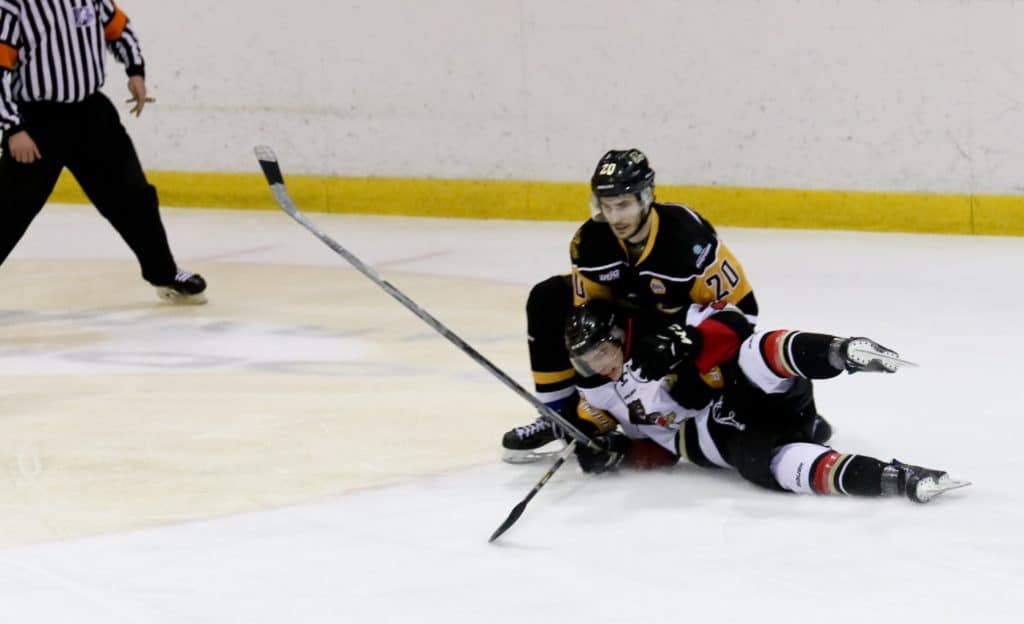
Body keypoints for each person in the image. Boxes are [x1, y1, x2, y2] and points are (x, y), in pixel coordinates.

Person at [560, 299, 969, 503]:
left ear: (619, 336)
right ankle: (892, 478)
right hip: (716, 439)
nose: (598, 367)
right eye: (586, 361)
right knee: (762, 466)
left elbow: (736, 323)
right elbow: (639, 446)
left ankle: (841, 352)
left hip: (754, 394)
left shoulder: (660, 327)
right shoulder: (596, 391)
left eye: (600, 354)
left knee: (754, 353)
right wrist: (606, 447)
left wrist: (689, 341)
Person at [502, 148, 760, 462]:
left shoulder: (686, 238)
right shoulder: (591, 242)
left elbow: (743, 312)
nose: (615, 218)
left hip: (676, 336)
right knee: (549, 297)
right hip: (630, 328)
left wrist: (696, 362)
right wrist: (590, 421)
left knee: (691, 385)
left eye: (623, 205)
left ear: (646, 197)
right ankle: (559, 417)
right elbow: (587, 327)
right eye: (606, 206)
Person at [0, 0, 206, 304]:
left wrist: (135, 70)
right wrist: (13, 127)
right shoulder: (15, 6)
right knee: (9, 208)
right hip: (36, 122)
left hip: (91, 115)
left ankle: (164, 273)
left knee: (134, 197)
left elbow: (119, 30)